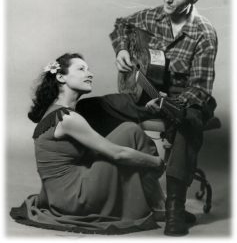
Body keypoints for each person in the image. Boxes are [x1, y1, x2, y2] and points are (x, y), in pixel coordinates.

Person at [77, 0, 218, 236]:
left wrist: (169, 103)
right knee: (86, 109)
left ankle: (175, 211)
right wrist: (122, 51)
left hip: (182, 100)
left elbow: (200, 88)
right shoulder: (151, 16)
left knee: (188, 121)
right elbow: (121, 25)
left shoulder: (204, 34)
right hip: (143, 96)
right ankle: (95, 188)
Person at [10, 53, 166, 235]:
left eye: (89, 69)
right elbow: (117, 154)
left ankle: (158, 205)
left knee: (129, 131)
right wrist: (156, 163)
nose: (90, 74)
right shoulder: (68, 118)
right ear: (60, 77)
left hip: (57, 196)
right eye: (81, 69)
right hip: (75, 197)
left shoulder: (56, 112)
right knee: (130, 131)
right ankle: (160, 205)